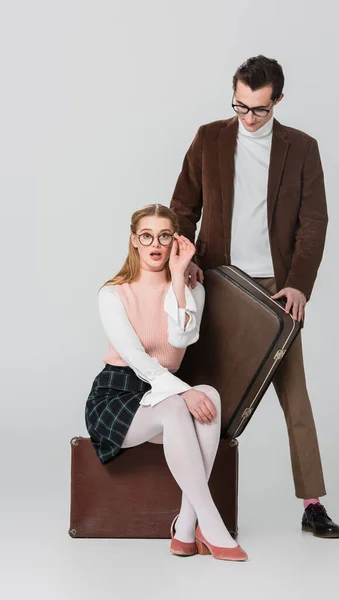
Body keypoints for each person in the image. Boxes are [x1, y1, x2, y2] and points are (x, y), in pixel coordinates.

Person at [170, 55, 339, 539]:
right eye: (240, 106)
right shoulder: (209, 137)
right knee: (204, 391)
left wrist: (299, 285)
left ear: (278, 101)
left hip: (275, 293)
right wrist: (188, 263)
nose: (248, 118)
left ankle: (312, 504)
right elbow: (183, 206)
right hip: (217, 281)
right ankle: (197, 502)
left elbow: (315, 222)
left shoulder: (302, 148)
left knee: (295, 396)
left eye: (259, 110)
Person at [84, 203, 248, 561]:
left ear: (175, 242)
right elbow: (137, 359)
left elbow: (178, 347)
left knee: (211, 397)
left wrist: (177, 280)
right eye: (147, 236)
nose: (155, 244)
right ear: (134, 241)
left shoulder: (192, 291)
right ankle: (211, 522)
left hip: (163, 391)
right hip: (117, 395)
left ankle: (186, 529)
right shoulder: (112, 293)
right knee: (182, 401)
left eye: (164, 236)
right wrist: (181, 390)